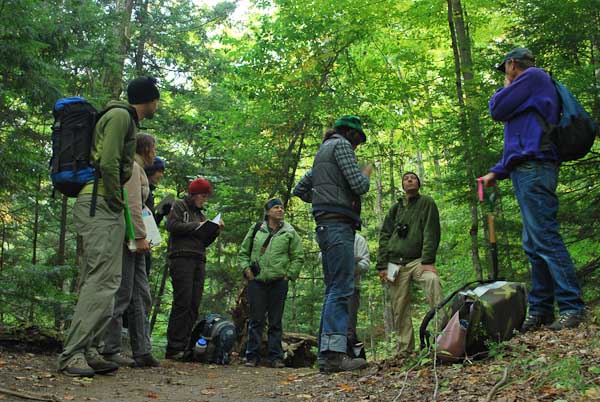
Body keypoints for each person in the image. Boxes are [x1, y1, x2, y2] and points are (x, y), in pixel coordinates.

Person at [58, 76, 160, 377]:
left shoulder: (125, 119)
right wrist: (116, 200)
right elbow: (109, 162)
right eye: (156, 99)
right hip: (100, 204)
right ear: (149, 99)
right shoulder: (119, 116)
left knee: (109, 283)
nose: (158, 104)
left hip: (105, 206)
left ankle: (89, 349)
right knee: (101, 283)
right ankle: (72, 353)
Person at [480, 47, 585, 331]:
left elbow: (496, 109)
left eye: (505, 70)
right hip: (525, 168)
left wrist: (506, 84)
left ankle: (571, 306)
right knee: (533, 243)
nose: (505, 76)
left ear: (512, 64)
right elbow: (521, 140)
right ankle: (541, 309)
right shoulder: (530, 92)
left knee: (545, 238)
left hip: (535, 168)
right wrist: (496, 171)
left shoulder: (534, 77)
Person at [293, 115, 371, 372]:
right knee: (341, 288)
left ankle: (327, 354)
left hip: (324, 226)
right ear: (351, 134)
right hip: (338, 225)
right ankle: (334, 356)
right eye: (358, 140)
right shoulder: (342, 146)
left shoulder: (322, 152)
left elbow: (300, 189)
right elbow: (359, 185)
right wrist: (365, 174)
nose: (357, 146)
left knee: (333, 288)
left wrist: (323, 198)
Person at [101, 133, 160, 368]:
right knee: (123, 292)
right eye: (153, 148)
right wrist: (139, 235)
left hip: (136, 240)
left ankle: (142, 349)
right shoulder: (133, 168)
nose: (154, 153)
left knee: (140, 294)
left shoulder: (139, 170)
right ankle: (109, 348)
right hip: (130, 239)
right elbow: (132, 203)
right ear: (145, 148)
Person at [376, 172, 442, 357]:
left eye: (413, 177)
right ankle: (405, 350)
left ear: (419, 183)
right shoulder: (395, 208)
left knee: (432, 282)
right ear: (403, 185)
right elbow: (384, 236)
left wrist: (428, 261)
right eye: (406, 178)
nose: (409, 180)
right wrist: (382, 266)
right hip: (394, 264)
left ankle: (442, 338)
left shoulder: (426, 203)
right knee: (399, 306)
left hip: (418, 260)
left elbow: (432, 232)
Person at [238, 198, 304, 368]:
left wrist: (289, 275)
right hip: (257, 282)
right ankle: (252, 356)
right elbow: (243, 252)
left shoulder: (289, 232)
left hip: (278, 282)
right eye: (276, 207)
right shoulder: (256, 229)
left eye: (281, 207)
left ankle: (275, 358)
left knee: (275, 321)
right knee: (256, 320)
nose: (280, 210)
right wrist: (247, 270)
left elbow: (298, 256)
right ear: (267, 212)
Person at [164, 178, 224, 360]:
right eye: (203, 196)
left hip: (198, 259)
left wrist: (214, 230)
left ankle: (185, 346)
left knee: (193, 303)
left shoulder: (200, 214)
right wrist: (198, 226)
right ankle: (174, 347)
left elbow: (203, 241)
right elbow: (172, 226)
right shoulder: (179, 206)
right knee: (182, 301)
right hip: (181, 258)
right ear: (195, 193)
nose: (204, 199)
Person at [347, 233, 370, 350]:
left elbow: (365, 264)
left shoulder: (358, 239)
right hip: (332, 287)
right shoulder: (332, 235)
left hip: (352, 287)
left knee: (350, 323)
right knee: (333, 323)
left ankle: (349, 353)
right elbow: (322, 256)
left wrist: (350, 267)